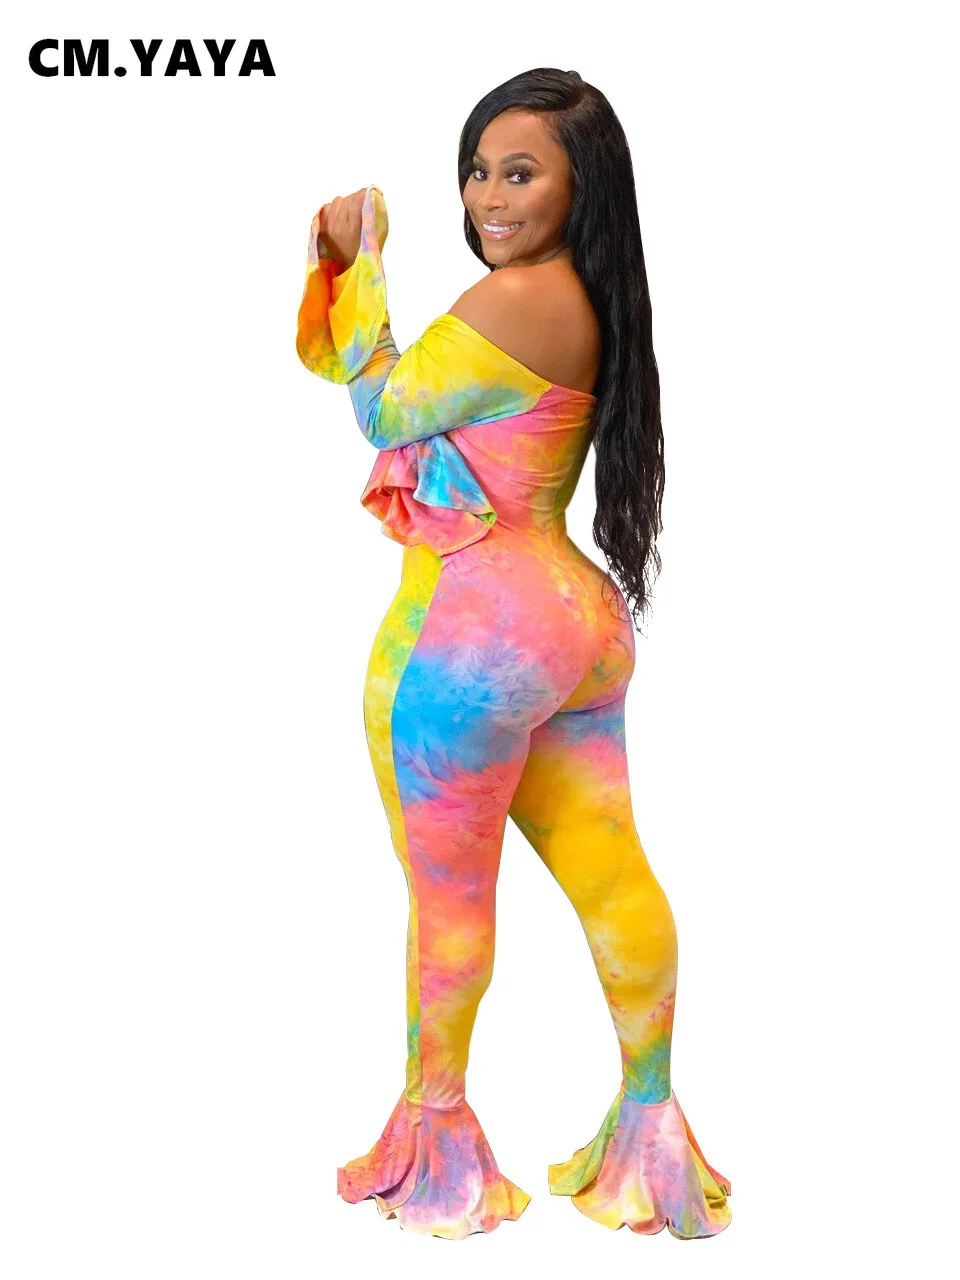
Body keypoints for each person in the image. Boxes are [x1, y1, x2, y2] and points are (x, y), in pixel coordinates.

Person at [295, 67, 731, 1242]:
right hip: (578, 625)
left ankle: (438, 1140)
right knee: (613, 871)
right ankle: (650, 1122)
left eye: (521, 172)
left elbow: (383, 408)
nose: (490, 194)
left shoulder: (510, 300)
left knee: (447, 902)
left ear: (582, 187)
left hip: (471, 643)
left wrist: (358, 260)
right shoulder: (592, 296)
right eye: (480, 169)